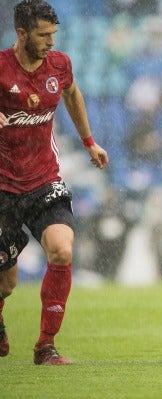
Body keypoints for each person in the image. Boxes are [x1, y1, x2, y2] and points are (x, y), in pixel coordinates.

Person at [0, 0, 109, 365]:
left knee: (62, 249)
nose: (50, 42)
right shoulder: (0, 69)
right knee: (6, 284)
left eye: (53, 35)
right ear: (21, 33)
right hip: (2, 188)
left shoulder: (59, 65)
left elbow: (72, 93)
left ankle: (45, 345)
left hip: (44, 178)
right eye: (43, 35)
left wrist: (89, 141)